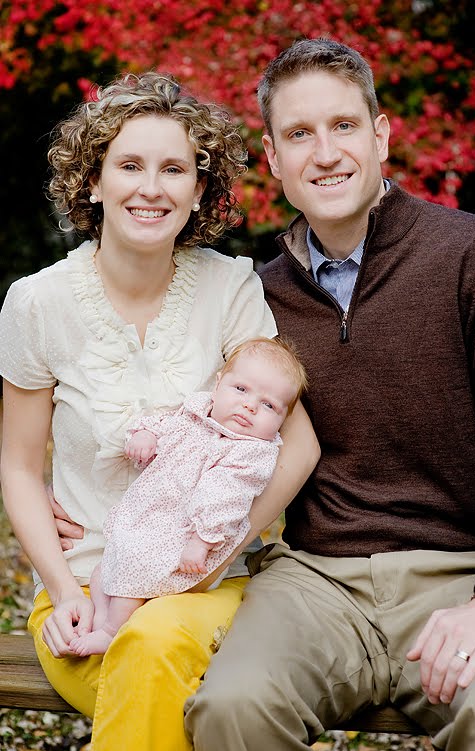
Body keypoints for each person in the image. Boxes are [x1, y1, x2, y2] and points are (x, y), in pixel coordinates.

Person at [184, 38, 475, 751]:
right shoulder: (257, 295)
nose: (325, 153)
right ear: (273, 158)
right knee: (232, 706)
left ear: (381, 135)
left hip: (463, 573)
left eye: (344, 126)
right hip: (315, 581)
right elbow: (196, 424)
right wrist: (83, 508)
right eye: (300, 134)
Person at [0, 71, 320, 751]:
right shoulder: (36, 303)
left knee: (154, 646)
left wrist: (208, 555)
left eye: (174, 169)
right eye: (130, 165)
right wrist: (65, 590)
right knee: (152, 668)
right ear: (93, 180)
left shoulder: (230, 288)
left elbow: (300, 445)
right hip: (88, 591)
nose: (152, 187)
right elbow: (20, 467)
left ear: (198, 189)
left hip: (209, 592)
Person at [69, 336, 307, 656]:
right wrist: (147, 435)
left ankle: (112, 631)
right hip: (152, 517)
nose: (250, 405)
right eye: (241, 389)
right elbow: (168, 425)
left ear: (282, 420)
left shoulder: (251, 453)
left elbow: (226, 497)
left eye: (269, 405)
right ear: (219, 383)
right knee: (104, 571)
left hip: (187, 536)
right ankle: (102, 617)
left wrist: (202, 540)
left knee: (132, 572)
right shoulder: (197, 412)